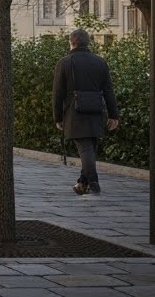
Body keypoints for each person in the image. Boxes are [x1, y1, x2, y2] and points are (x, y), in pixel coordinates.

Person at [52, 28, 119, 195]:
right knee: (90, 148)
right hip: (96, 110)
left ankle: (94, 183)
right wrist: (113, 115)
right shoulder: (100, 62)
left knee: (85, 148)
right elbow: (109, 91)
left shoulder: (64, 62)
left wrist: (58, 117)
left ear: (71, 42)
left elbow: (57, 93)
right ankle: (82, 183)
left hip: (75, 113)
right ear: (88, 43)